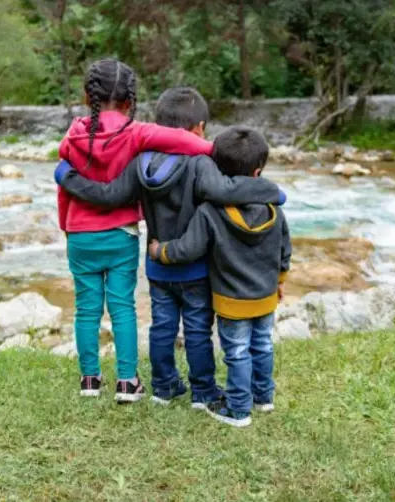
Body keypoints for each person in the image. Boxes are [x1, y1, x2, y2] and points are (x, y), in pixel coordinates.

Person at [55, 87, 286, 409]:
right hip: (196, 266)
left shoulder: (141, 162)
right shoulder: (201, 163)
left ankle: (163, 387)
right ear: (199, 128)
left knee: (162, 327)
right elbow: (225, 191)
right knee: (197, 330)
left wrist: (68, 177)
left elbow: (110, 196)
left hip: (157, 264)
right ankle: (203, 391)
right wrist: (270, 192)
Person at [57, 59, 215, 404]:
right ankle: (127, 382)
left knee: (86, 308)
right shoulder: (136, 132)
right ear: (130, 100)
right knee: (122, 307)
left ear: (87, 97)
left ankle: (89, 379)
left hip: (79, 233)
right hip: (121, 234)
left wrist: (66, 227)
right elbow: (186, 141)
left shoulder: (73, 136)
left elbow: (64, 189)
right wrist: (220, 151)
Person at [148, 126, 291, 428]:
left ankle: (238, 409)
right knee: (263, 345)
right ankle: (263, 397)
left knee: (237, 352)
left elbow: (189, 248)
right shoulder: (274, 210)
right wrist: (279, 282)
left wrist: (161, 251)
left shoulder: (210, 211)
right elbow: (284, 251)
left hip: (230, 300)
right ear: (258, 171)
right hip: (265, 296)